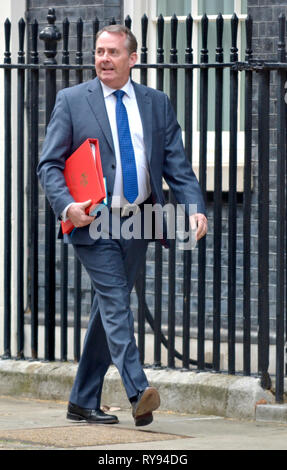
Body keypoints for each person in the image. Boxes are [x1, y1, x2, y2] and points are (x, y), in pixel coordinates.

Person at [37, 24, 208, 427]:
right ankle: (138, 391)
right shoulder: (73, 100)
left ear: (132, 58)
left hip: (139, 220)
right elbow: (49, 164)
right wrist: (66, 207)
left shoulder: (155, 103)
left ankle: (81, 400)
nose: (104, 59)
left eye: (113, 52)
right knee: (116, 302)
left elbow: (176, 165)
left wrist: (195, 207)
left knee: (104, 312)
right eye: (99, 51)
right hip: (92, 220)